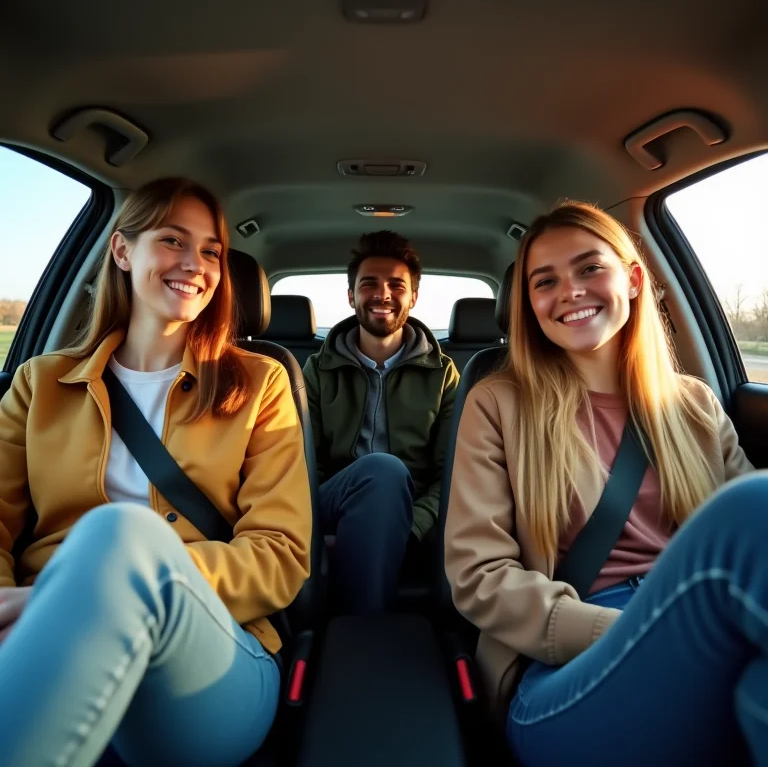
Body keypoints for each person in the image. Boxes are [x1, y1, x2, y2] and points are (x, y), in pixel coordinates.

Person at [0, 178, 312, 767]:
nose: (195, 264)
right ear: (122, 251)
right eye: (173, 241)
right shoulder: (37, 385)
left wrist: (97, 588)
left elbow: (280, 555)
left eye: (211, 251)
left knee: (118, 537)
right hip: (39, 625)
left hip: (218, 655)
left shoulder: (259, 385)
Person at [444, 201, 768, 765]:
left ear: (634, 279)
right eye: (545, 281)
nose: (569, 290)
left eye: (590, 268)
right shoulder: (497, 403)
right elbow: (479, 575)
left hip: (696, 624)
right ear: (529, 305)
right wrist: (621, 634)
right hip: (565, 662)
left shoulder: (694, 404)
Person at [304, 231, 459, 614]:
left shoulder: (444, 374)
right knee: (381, 469)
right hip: (331, 502)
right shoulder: (315, 369)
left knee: (385, 473)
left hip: (409, 511)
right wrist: (316, 528)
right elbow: (303, 462)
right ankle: (367, 625)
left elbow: (452, 473)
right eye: (369, 283)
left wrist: (408, 527)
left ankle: (360, 626)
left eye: (396, 285)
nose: (383, 294)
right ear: (351, 296)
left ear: (414, 297)